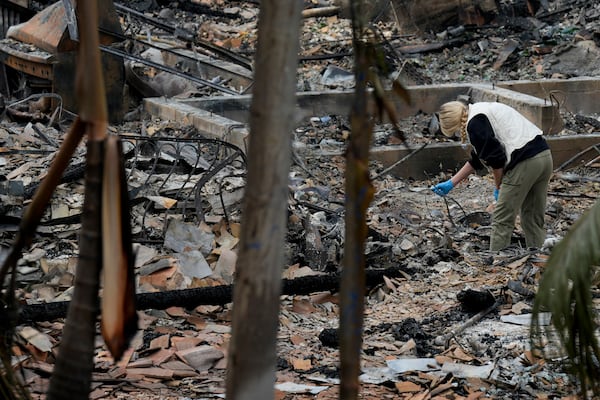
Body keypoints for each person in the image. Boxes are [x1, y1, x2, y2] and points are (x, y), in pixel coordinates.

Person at [431, 101, 553, 251]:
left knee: (502, 219)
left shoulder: (475, 123)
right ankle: (540, 258)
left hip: (524, 163)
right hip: (544, 156)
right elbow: (478, 159)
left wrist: (498, 187)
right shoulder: (481, 110)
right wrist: (451, 183)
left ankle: (497, 263)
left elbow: (496, 159)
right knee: (532, 217)